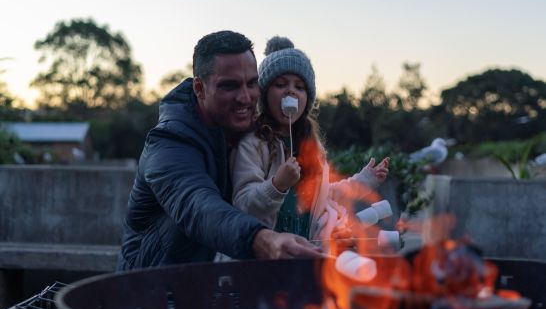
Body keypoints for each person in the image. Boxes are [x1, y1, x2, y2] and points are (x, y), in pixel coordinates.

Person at [117, 31, 323, 270]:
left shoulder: (251, 133)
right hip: (153, 288)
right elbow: (199, 208)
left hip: (213, 284)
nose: (245, 97)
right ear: (200, 88)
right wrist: (261, 239)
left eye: (252, 83)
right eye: (229, 86)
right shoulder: (168, 144)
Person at [230, 36, 389, 249]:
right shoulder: (254, 144)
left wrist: (363, 182)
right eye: (280, 84)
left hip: (306, 251)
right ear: (265, 95)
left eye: (300, 87)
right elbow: (243, 205)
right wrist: (277, 185)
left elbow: (323, 197)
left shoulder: (312, 147)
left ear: (307, 100)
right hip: (266, 255)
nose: (291, 91)